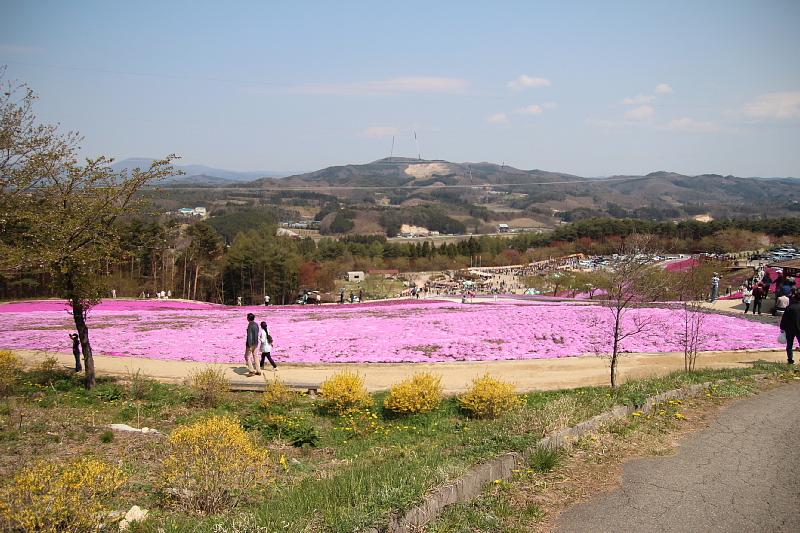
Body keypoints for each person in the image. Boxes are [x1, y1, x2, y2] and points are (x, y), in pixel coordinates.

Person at [779, 289, 800, 364]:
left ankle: (790, 359)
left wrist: (782, 327)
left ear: (794, 299)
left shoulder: (790, 307)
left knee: (789, 345)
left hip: (790, 329)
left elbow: (785, 318)